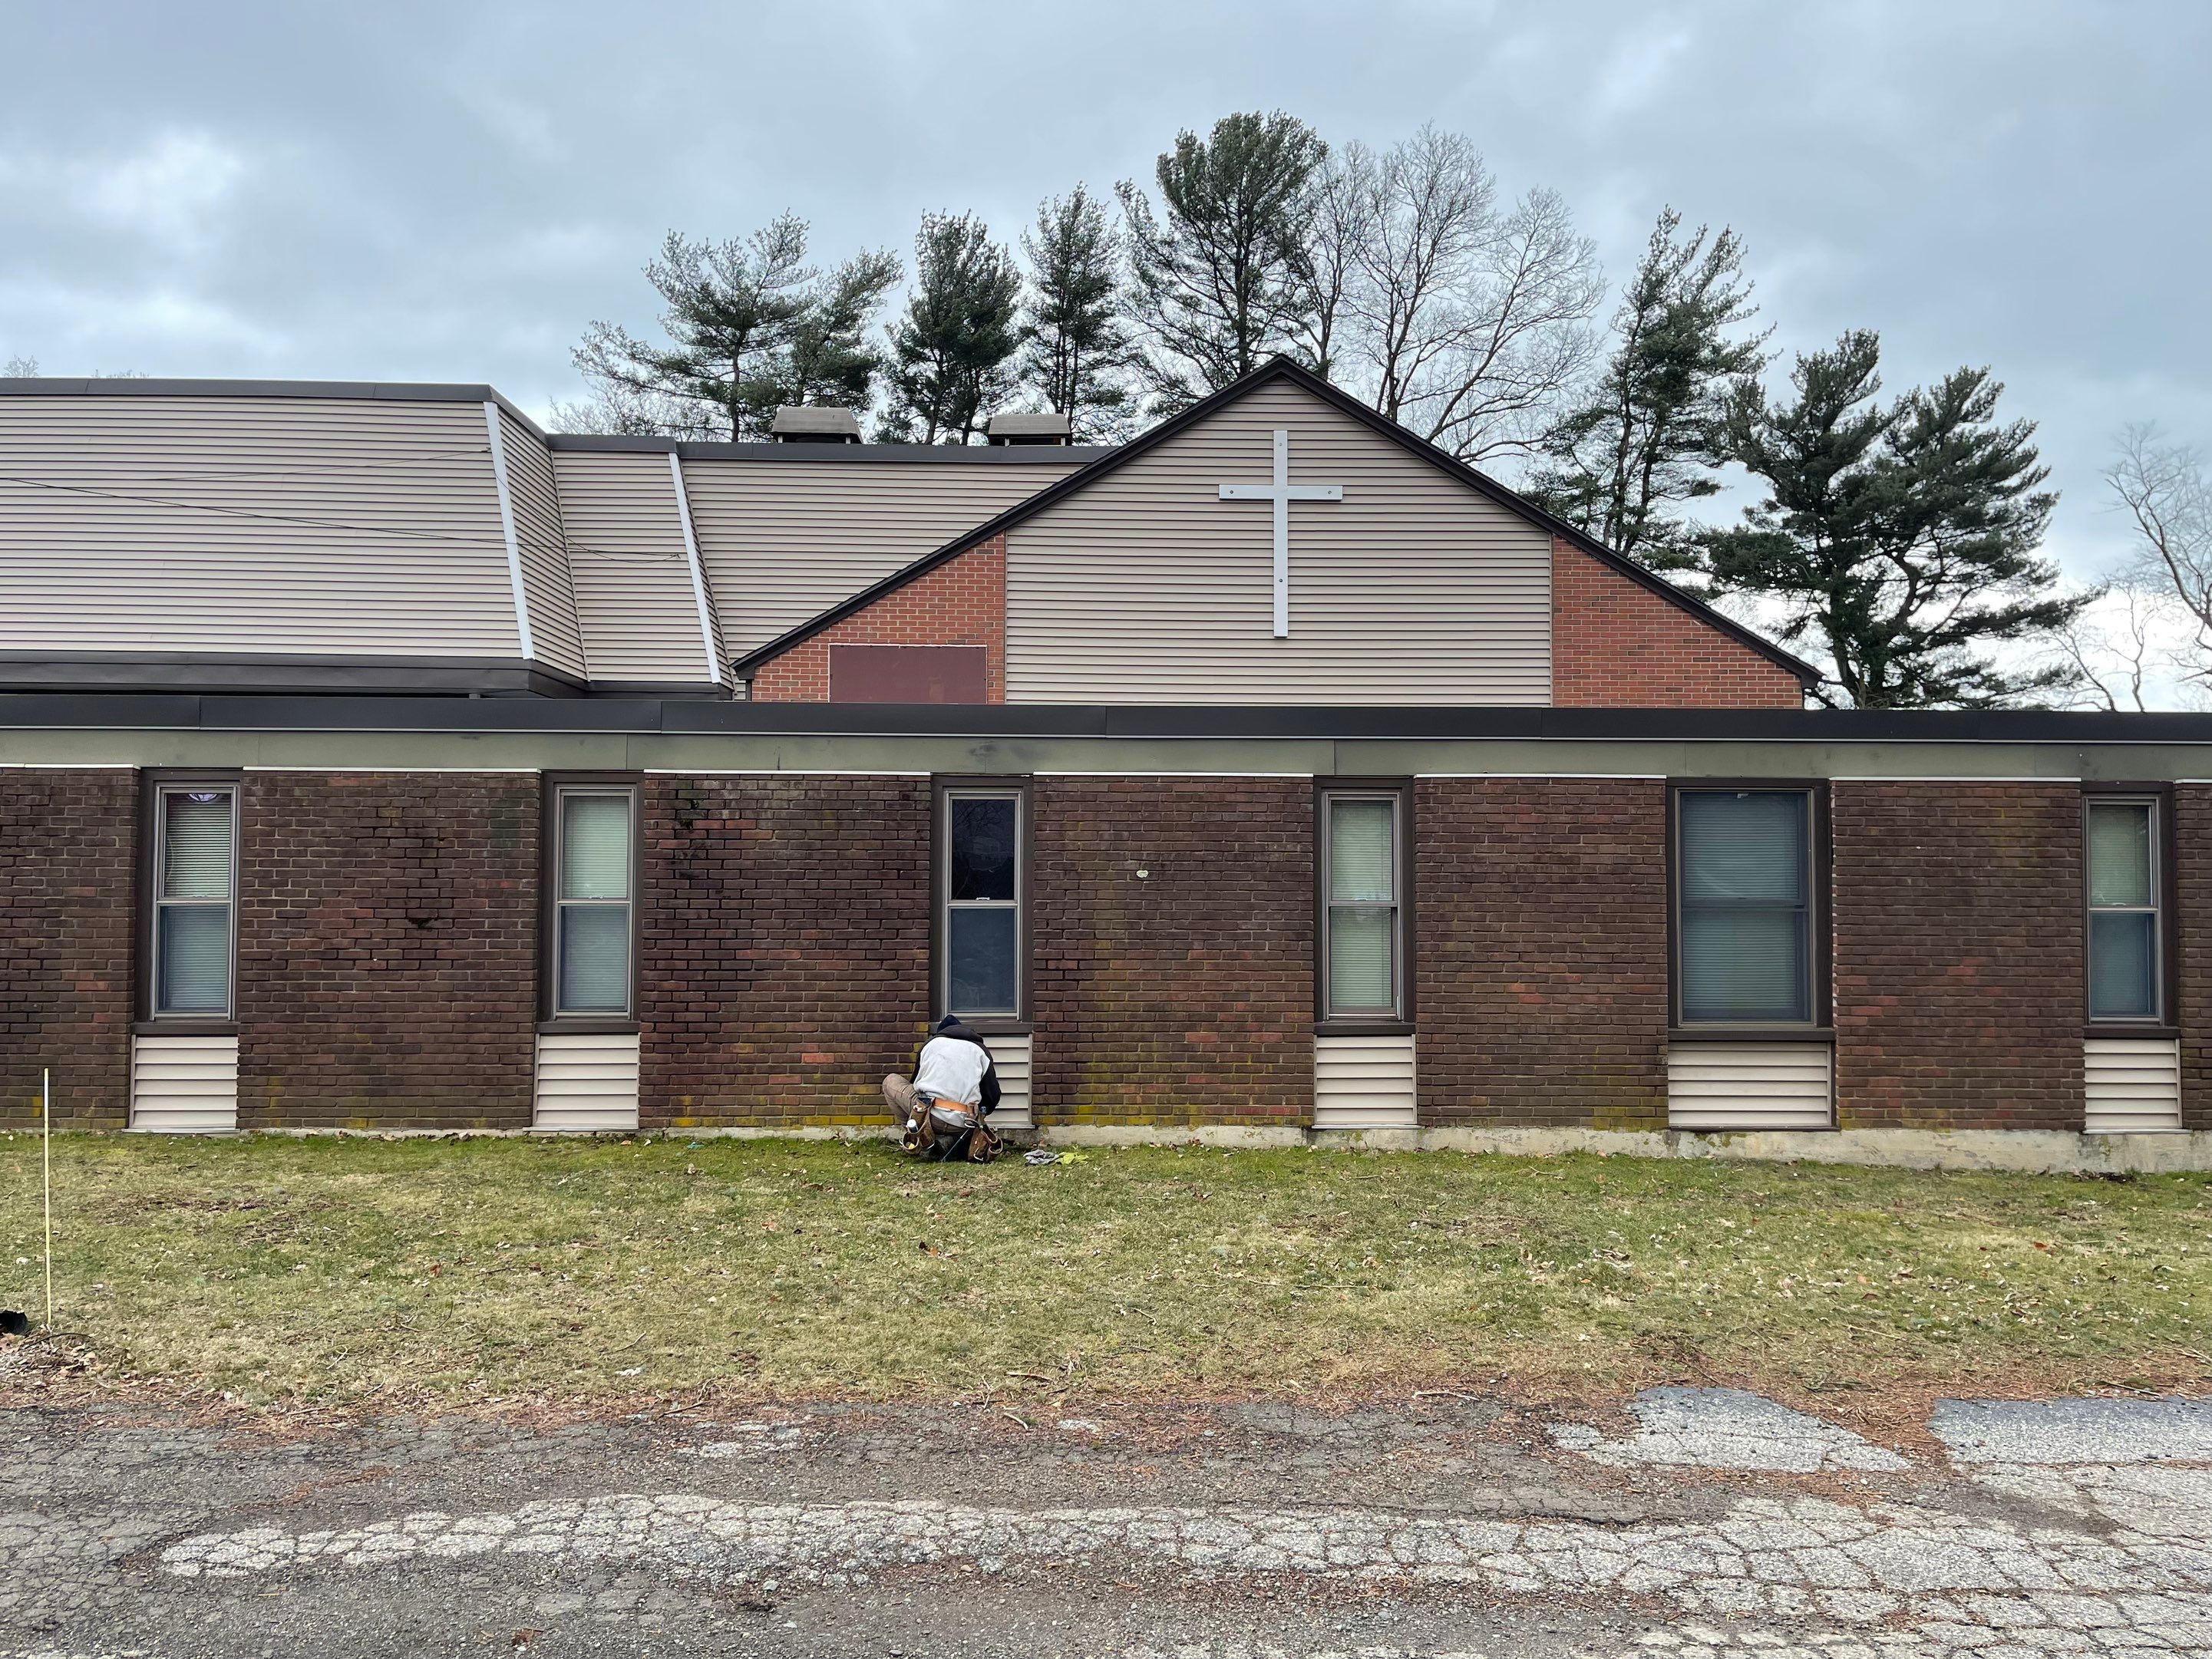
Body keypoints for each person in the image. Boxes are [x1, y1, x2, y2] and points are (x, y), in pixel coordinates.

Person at [884, 1014, 1002, 1161]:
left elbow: (915, 1085)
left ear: (942, 1033)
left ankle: (918, 1136)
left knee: (890, 1081)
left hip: (929, 1117)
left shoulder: (931, 1044)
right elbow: (993, 1096)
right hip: (965, 1124)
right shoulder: (981, 1051)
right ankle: (947, 1142)